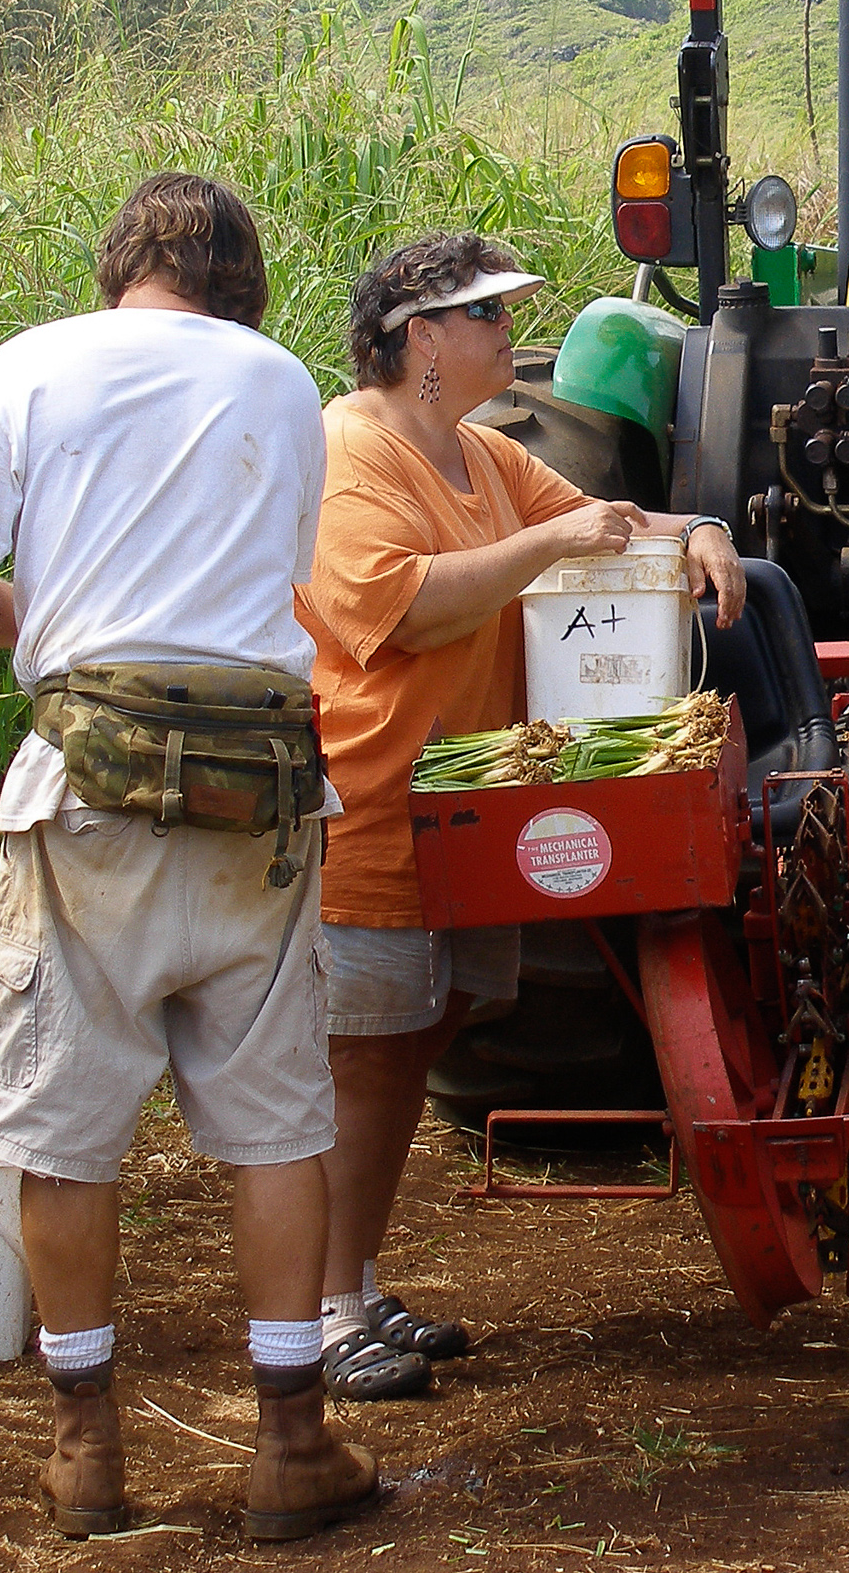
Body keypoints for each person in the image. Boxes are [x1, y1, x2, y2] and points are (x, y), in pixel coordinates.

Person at [0, 171, 377, 1542]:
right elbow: (267, 583)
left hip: (87, 798)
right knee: (276, 1124)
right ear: (242, 280)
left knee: (66, 1129)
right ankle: (291, 1445)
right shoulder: (284, 381)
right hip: (262, 793)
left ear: (119, 262)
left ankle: (85, 1449)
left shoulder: (34, 363)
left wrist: (54, 629)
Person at [295, 230, 744, 1400]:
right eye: (486, 317)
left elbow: (609, 519)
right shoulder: (350, 454)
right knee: (366, 1059)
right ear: (417, 340)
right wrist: (546, 544)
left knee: (420, 1038)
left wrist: (697, 531)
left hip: (472, 806)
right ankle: (318, 1311)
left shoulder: (483, 458)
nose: (508, 334)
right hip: (378, 804)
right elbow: (398, 612)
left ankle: (354, 1279)